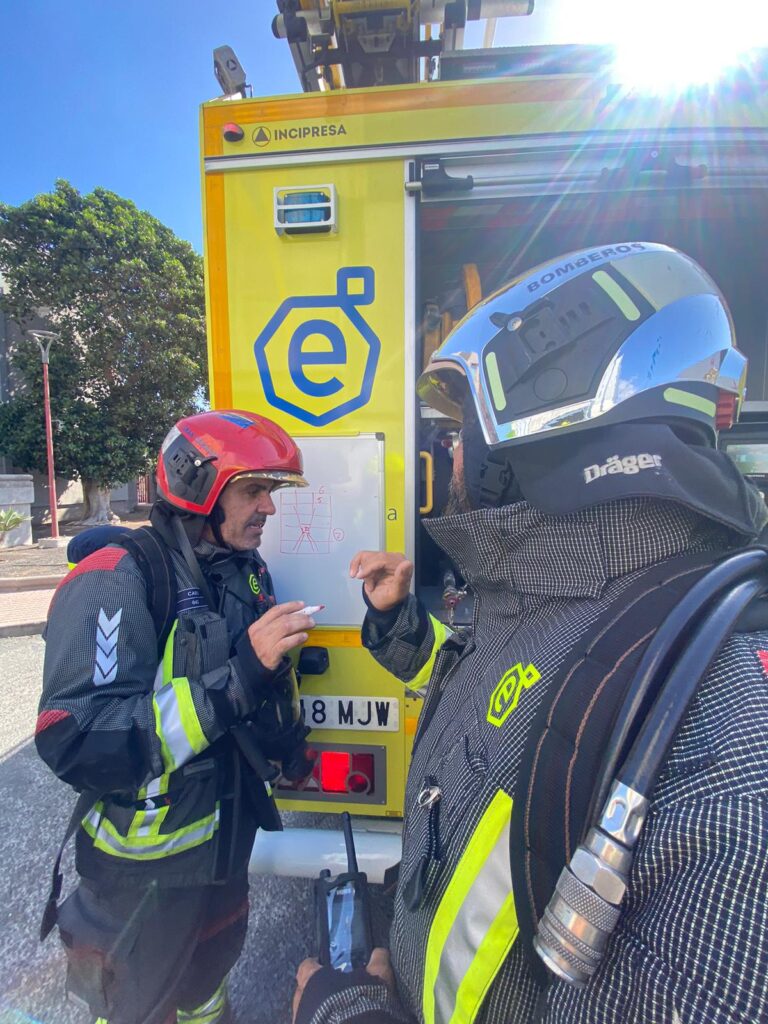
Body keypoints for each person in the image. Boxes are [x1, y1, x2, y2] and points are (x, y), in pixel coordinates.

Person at [292, 243, 768, 1024]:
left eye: (460, 431)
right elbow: (485, 688)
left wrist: (340, 1014)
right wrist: (394, 621)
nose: (449, 454)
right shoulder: (556, 591)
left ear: (531, 431)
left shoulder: (733, 775)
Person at [37, 409, 319, 1024]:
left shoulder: (248, 573)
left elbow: (267, 690)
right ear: (197, 487)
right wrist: (235, 679)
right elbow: (77, 739)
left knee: (206, 985)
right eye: (254, 490)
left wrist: (291, 752)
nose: (269, 508)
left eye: (270, 491)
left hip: (223, 853)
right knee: (139, 1006)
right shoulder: (116, 579)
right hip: (141, 876)